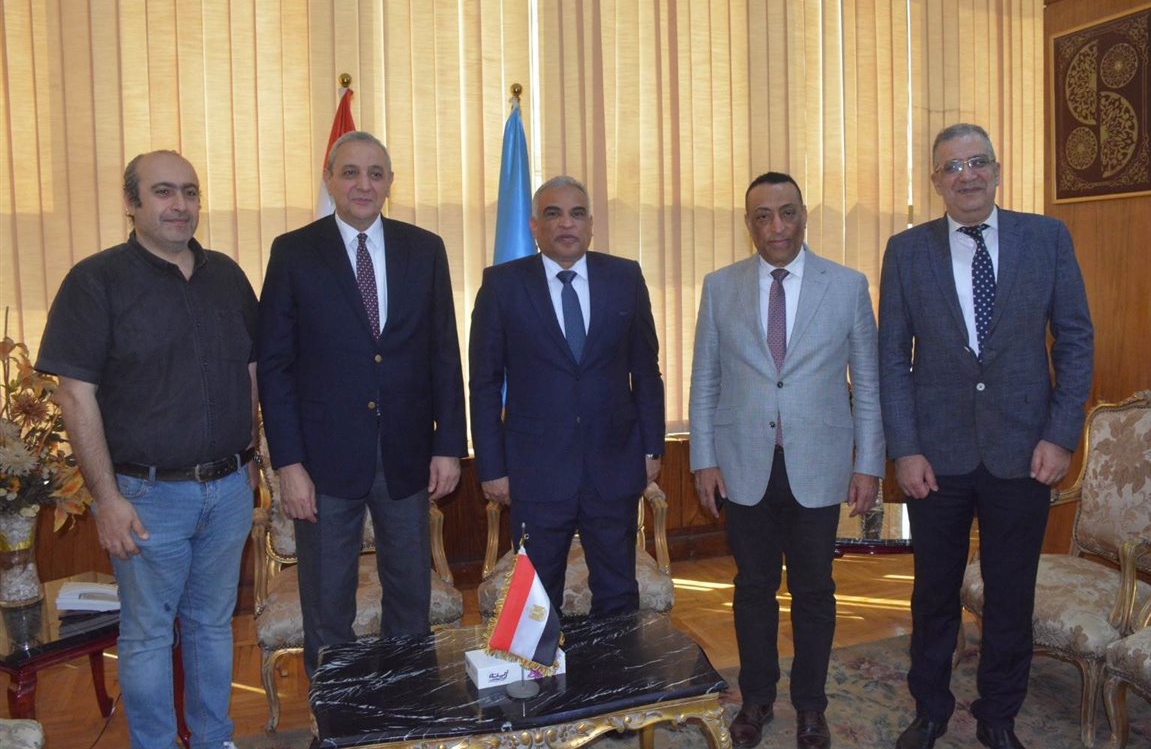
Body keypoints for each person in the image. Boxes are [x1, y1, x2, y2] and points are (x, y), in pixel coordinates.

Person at [878, 124, 1094, 749]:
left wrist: (1061, 435)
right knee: (933, 594)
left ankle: (998, 716)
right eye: (952, 167)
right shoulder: (906, 251)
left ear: (997, 171)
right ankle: (930, 710)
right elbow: (892, 358)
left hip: (1025, 452)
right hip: (935, 456)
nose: (966, 175)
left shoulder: (1047, 238)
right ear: (935, 181)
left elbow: (1075, 340)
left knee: (1010, 596)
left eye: (977, 163)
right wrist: (905, 448)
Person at [37, 151, 257, 749]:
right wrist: (106, 499)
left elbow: (250, 369)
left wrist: (252, 456)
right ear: (131, 203)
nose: (179, 205)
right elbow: (75, 395)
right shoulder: (95, 281)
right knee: (148, 636)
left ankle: (213, 740)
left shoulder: (226, 276)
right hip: (145, 497)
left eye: (190, 191)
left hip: (229, 490)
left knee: (213, 626)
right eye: (163, 192)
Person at [256, 130, 466, 678]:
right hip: (323, 465)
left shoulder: (425, 249)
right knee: (328, 608)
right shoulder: (293, 252)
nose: (363, 184)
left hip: (406, 458)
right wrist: (288, 465)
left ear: (391, 183)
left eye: (375, 173)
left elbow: (444, 354)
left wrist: (448, 445)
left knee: (410, 601)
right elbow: (275, 368)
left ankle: (406, 709)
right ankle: (336, 717)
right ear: (329, 179)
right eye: (350, 172)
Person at [689, 171, 885, 749]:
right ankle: (755, 699)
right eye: (763, 216)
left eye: (787, 212)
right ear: (748, 224)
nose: (776, 226)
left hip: (819, 464)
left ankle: (810, 706)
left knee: (814, 590)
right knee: (752, 587)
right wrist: (703, 459)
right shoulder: (719, 286)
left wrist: (869, 464)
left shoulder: (846, 286)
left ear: (804, 215)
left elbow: (868, 384)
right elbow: (705, 381)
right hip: (742, 463)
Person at [469, 175, 665, 615]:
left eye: (577, 214)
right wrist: (492, 467)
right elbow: (484, 383)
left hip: (613, 464)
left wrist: (652, 447)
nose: (566, 224)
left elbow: (646, 371)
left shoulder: (625, 277)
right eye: (553, 214)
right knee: (535, 601)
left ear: (591, 224)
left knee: (618, 593)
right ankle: (538, 665)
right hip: (534, 470)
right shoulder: (503, 285)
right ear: (535, 226)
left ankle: (617, 664)